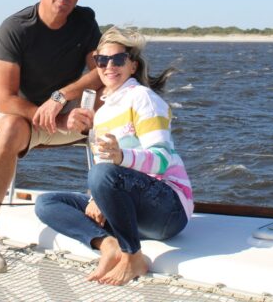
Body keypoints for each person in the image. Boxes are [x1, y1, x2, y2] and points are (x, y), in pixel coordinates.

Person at [35, 27, 193, 286]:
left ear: (132, 65)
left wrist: (120, 158)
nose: (110, 66)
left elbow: (162, 159)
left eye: (118, 59)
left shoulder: (143, 98)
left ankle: (133, 256)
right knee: (46, 203)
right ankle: (109, 246)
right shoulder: (104, 111)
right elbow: (107, 170)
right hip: (132, 210)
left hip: (168, 210)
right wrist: (98, 195)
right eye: (102, 60)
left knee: (100, 174)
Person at [0, 0, 102, 274]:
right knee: (11, 129)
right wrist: (52, 118)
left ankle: (107, 205)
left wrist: (61, 98)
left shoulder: (85, 21)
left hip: (64, 109)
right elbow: (5, 99)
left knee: (111, 107)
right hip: (19, 112)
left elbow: (101, 72)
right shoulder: (16, 27)